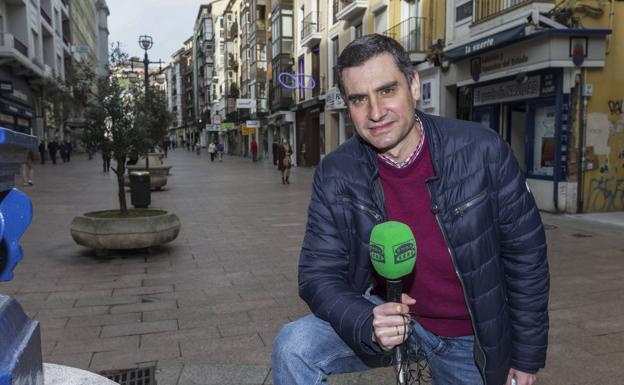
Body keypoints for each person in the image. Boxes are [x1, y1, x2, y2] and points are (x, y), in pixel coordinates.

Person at [272, 34, 549, 385]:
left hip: (471, 338)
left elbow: (526, 258)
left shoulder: (483, 151)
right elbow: (317, 273)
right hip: (388, 320)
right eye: (359, 99)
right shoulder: (336, 171)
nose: (375, 113)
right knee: (294, 346)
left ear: (414, 86)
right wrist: (365, 319)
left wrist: (526, 357)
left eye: (387, 91)